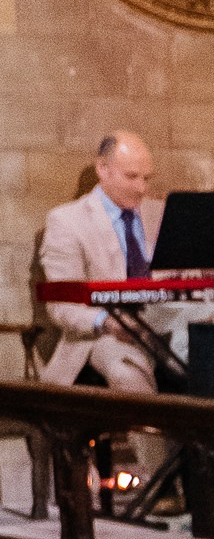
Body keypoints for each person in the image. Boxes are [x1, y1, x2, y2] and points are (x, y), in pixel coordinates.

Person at [39, 133, 164, 398]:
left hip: (166, 329)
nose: (142, 188)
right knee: (127, 372)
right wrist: (107, 321)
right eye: (132, 177)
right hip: (105, 335)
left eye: (146, 178)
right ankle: (157, 440)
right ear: (102, 169)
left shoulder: (161, 213)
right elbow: (62, 306)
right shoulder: (67, 221)